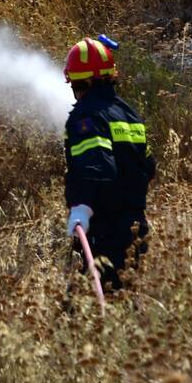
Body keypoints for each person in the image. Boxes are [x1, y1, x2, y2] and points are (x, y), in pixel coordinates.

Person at [63, 35, 155, 291]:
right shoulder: (129, 114)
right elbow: (149, 167)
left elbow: (97, 168)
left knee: (84, 316)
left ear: (80, 82)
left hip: (105, 234)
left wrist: (82, 208)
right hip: (137, 231)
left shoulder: (86, 116)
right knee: (125, 309)